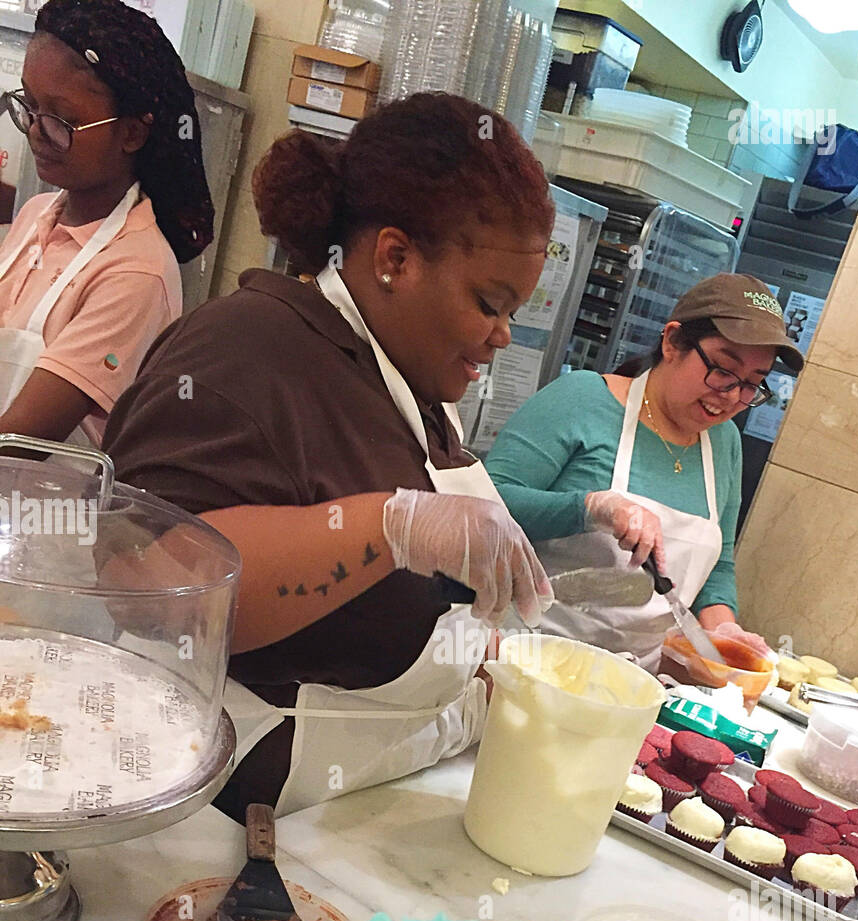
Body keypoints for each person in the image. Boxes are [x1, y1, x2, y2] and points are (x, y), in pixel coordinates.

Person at [101, 94, 555, 821]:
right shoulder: (244, 348)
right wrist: (386, 528)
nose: (501, 336)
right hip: (218, 824)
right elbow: (148, 584)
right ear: (395, 258)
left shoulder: (408, 382)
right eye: (489, 303)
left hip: (349, 810)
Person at [486, 274, 804, 669]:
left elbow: (718, 562)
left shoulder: (724, 444)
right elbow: (484, 505)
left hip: (626, 688)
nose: (732, 398)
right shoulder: (583, 399)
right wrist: (588, 509)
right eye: (723, 371)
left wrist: (722, 631)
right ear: (672, 342)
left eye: (751, 385)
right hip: (514, 663)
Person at [0, 0, 213, 445]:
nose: (38, 130)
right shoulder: (37, 215)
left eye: (62, 120)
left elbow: (19, 443)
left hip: (45, 508)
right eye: (29, 106)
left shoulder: (136, 272)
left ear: (133, 133)